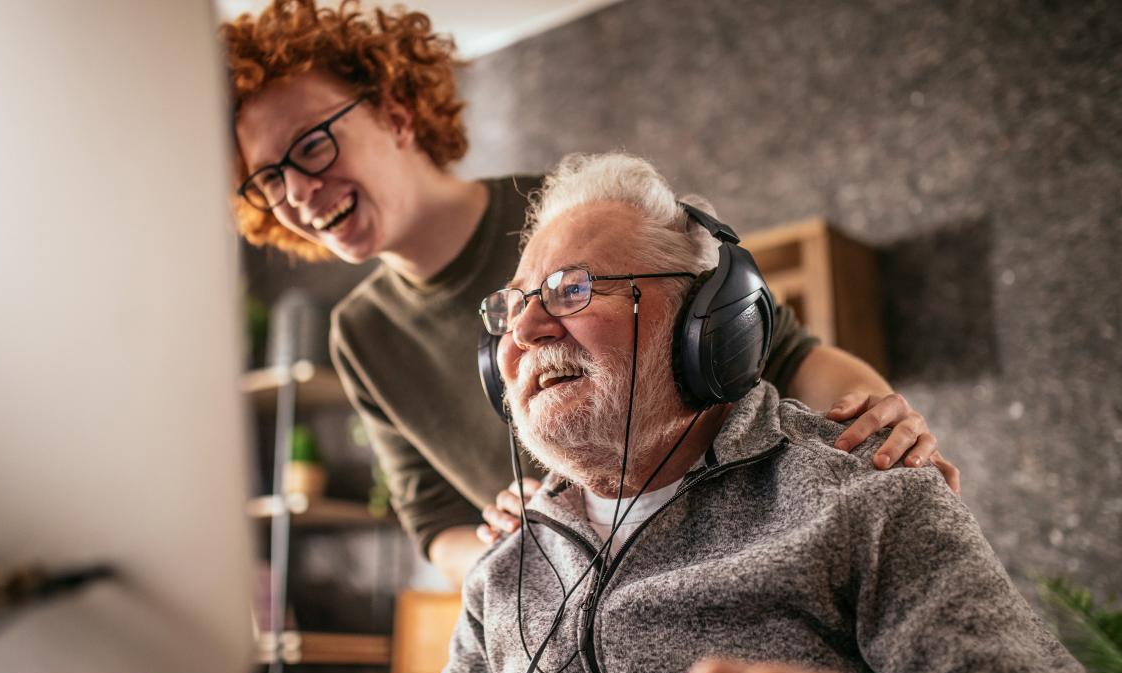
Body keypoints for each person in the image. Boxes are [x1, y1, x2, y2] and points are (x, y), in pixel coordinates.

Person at [221, 0, 960, 586]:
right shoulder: (360, 335)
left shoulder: (566, 213)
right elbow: (435, 522)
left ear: (396, 114)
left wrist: (880, 420)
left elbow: (789, 352)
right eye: (268, 178)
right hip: (577, 596)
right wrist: (499, 544)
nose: (297, 193)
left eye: (311, 147)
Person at [420, 152, 1121, 673]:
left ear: (708, 326)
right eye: (512, 306)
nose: (525, 330)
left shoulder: (868, 501)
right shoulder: (502, 574)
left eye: (572, 289)